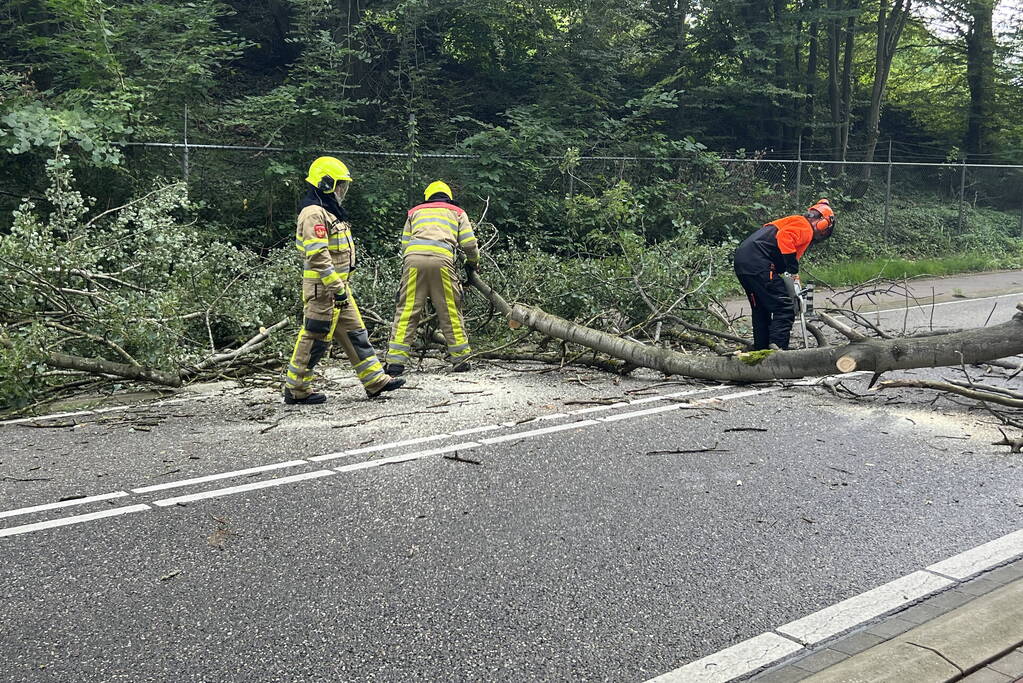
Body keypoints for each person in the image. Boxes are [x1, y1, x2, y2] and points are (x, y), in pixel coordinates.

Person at [283, 156, 406, 404]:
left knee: (355, 333)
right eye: (340, 185)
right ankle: (296, 389)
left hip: (338, 289)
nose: (342, 190)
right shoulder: (313, 213)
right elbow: (318, 255)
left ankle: (375, 380)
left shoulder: (329, 212)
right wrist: (336, 287)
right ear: (326, 184)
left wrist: (340, 288)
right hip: (323, 290)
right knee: (315, 338)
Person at [383, 181, 480, 376]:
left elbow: (405, 244)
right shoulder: (457, 212)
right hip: (442, 262)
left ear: (427, 197)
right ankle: (460, 359)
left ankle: (395, 363)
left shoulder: (414, 212)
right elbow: (469, 244)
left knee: (407, 310)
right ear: (448, 196)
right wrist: (472, 263)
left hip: (413, 262)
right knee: (450, 309)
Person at [733, 199, 835, 350]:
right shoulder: (805, 226)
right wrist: (792, 267)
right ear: (822, 224)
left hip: (744, 262)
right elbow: (784, 237)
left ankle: (761, 350)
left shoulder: (793, 221)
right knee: (784, 308)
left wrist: (788, 272)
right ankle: (779, 353)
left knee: (761, 309)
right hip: (759, 263)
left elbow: (777, 246)